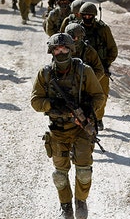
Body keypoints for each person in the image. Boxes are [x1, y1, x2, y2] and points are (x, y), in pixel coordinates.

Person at [30, 33, 105, 219]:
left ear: (71, 49)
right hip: (58, 131)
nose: (60, 52)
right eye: (57, 49)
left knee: (84, 172)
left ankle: (81, 201)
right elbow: (35, 101)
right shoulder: (45, 73)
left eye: (64, 48)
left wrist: (87, 111)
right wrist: (53, 105)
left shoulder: (84, 71)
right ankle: (65, 207)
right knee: (60, 175)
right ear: (51, 51)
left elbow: (99, 96)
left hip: (81, 129)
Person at [78, 2, 118, 130]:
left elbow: (113, 49)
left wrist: (106, 64)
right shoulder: (76, 29)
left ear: (94, 16)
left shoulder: (103, 29)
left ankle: (98, 118)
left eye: (90, 16)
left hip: (100, 69)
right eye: (85, 15)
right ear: (81, 15)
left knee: (102, 95)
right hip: (81, 69)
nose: (88, 18)